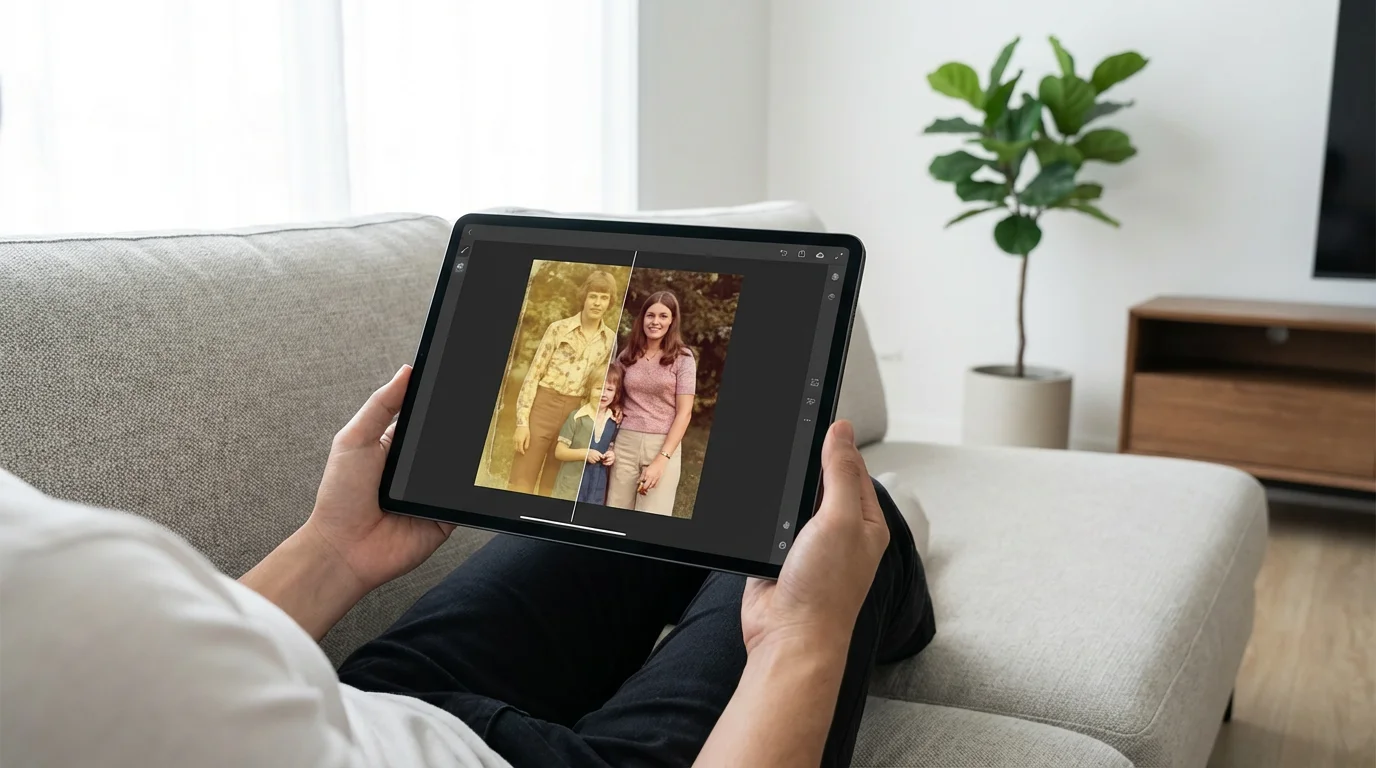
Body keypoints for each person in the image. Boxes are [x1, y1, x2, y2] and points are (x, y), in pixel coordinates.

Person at [2, 366, 935, 767]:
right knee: (841, 515)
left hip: (365, 705)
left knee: (645, 515)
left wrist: (331, 552)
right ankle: (887, 560)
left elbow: (157, 693)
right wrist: (803, 639)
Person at [509, 270, 619, 496]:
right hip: (543, 406)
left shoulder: (609, 340)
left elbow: (603, 383)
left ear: (610, 302)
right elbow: (533, 375)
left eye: (604, 297)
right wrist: (522, 423)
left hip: (575, 413)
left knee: (555, 481)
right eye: (593, 296)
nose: (597, 303)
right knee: (522, 476)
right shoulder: (558, 328)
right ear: (584, 297)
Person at [606, 290, 695, 515]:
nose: (655, 321)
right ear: (642, 318)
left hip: (663, 444)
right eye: (650, 315)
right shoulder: (627, 355)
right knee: (615, 514)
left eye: (663, 316)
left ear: (672, 321)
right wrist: (616, 406)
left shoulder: (682, 358)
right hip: (625, 442)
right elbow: (614, 392)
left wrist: (661, 459)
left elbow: (684, 413)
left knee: (651, 516)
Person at [550, 363, 622, 503]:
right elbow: (559, 452)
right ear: (589, 389)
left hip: (596, 484)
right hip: (571, 484)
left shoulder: (614, 420)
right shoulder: (577, 417)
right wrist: (585, 453)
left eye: (609, 389)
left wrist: (611, 455)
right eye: (598, 388)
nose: (603, 393)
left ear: (616, 393)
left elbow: (610, 445)